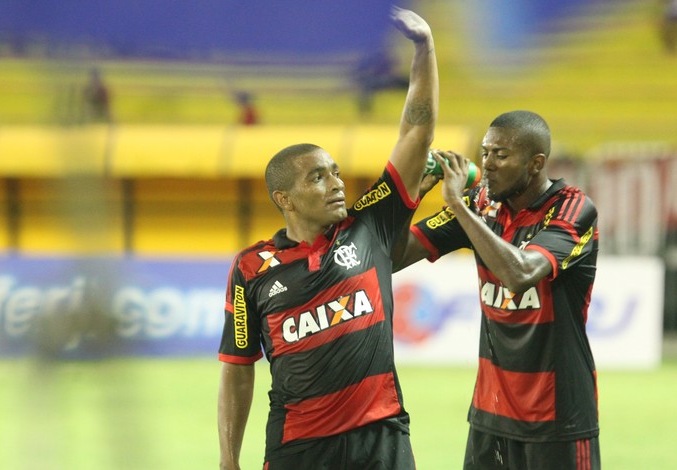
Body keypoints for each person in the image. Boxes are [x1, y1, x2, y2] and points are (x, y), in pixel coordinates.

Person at [218, 6, 438, 470]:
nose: (336, 183)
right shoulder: (250, 268)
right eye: (318, 177)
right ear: (286, 198)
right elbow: (237, 369)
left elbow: (416, 129)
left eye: (336, 172)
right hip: (298, 449)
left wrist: (423, 47)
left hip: (381, 439)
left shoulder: (370, 224)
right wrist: (228, 460)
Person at [394, 110, 601, 469]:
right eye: (485, 152)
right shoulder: (481, 205)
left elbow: (519, 274)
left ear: (536, 163)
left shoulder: (572, 208)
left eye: (501, 155)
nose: (487, 164)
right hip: (490, 414)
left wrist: (458, 205)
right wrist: (411, 199)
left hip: (558, 416)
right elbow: (395, 256)